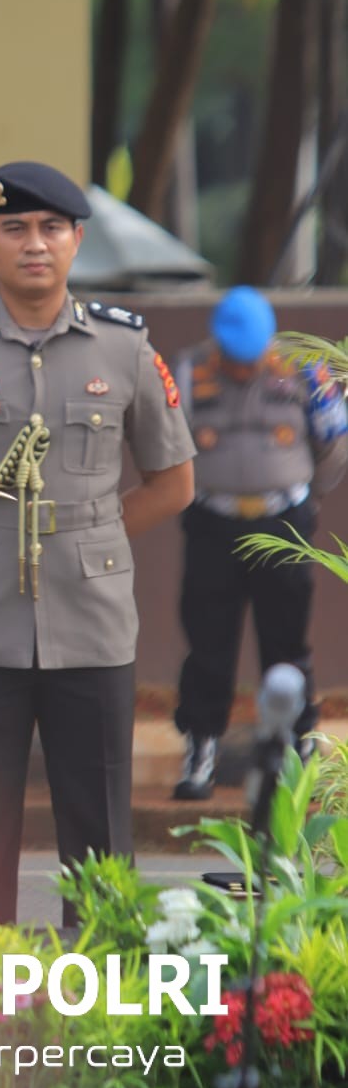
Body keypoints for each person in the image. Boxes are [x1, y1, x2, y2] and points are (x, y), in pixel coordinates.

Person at [0, 161, 195, 927]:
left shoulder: (123, 348)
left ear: (77, 241)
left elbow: (173, 481)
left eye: (52, 228)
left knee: (97, 827)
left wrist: (87, 538)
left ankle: (100, 991)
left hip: (91, 619)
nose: (36, 244)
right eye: (16, 229)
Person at [171, 285, 348, 801]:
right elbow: (166, 443)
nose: (241, 366)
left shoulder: (306, 374)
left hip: (283, 521)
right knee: (208, 643)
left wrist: (306, 497)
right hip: (213, 522)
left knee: (287, 641)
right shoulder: (187, 372)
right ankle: (201, 746)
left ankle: (295, 746)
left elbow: (334, 445)